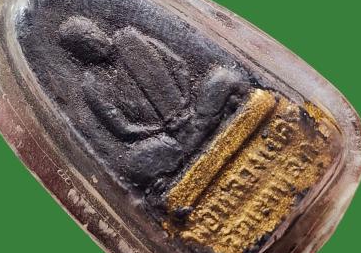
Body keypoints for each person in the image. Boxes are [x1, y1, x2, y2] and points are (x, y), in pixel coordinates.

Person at [57, 16, 249, 186]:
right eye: (83, 45)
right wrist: (162, 129)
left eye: (90, 34)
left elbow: (178, 66)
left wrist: (185, 100)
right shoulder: (92, 83)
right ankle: (210, 125)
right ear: (77, 55)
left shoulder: (130, 37)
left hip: (192, 109)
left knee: (226, 77)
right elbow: (123, 129)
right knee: (133, 166)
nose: (92, 44)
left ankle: (197, 138)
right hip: (168, 139)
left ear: (98, 29)